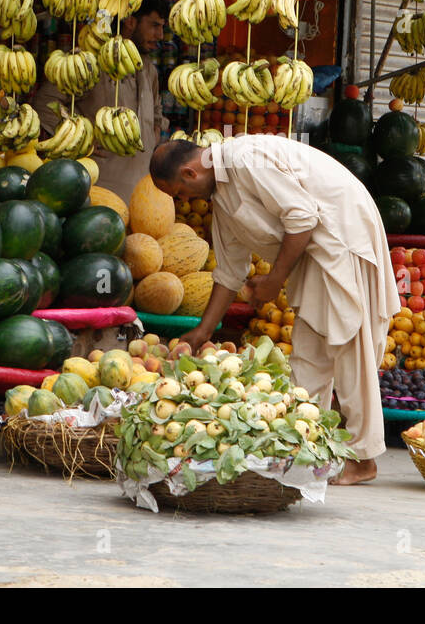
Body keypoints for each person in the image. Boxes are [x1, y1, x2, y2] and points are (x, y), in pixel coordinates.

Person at [150, 136, 400, 486]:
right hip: (315, 254)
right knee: (309, 353)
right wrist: (202, 332)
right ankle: (306, 444)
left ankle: (363, 458)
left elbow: (302, 217)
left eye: (178, 192)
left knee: (348, 344)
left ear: (191, 173)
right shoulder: (222, 198)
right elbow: (229, 271)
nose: (183, 201)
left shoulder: (245, 158)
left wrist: (273, 280)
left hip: (341, 236)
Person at [33, 0, 169, 201]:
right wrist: (82, 138)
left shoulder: (148, 69)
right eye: (154, 25)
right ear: (131, 22)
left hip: (142, 194)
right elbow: (44, 102)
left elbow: (157, 112)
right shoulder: (91, 63)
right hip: (99, 190)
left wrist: (153, 135)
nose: (160, 35)